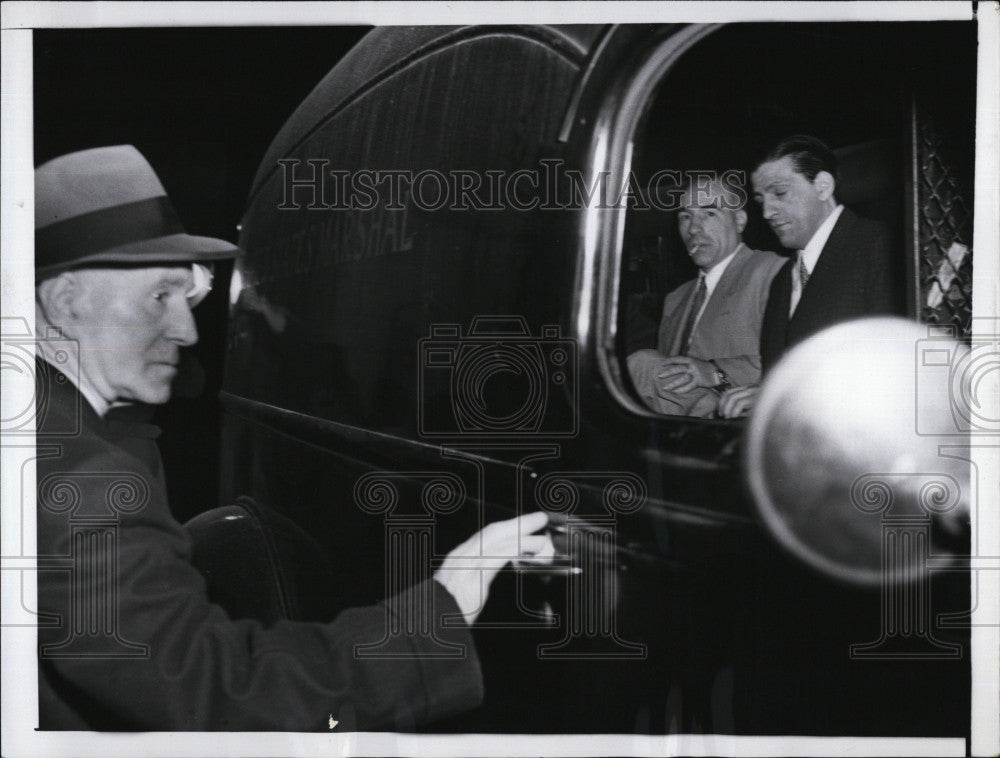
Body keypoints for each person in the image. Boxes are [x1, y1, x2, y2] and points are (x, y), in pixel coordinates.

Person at [33, 145, 553, 731]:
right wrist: (445, 605)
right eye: (159, 297)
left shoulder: (53, 430)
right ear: (65, 303)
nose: (184, 329)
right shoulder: (85, 481)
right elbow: (220, 696)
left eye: (188, 297)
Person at [718, 135, 903, 418]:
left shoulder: (882, 246)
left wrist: (782, 396)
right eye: (760, 200)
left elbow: (897, 371)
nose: (766, 212)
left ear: (822, 186)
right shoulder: (783, 278)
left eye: (779, 193)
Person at [627, 173, 784, 416]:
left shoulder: (773, 271)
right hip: (679, 433)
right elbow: (667, 382)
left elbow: (800, 360)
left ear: (739, 221)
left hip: (745, 422)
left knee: (640, 364)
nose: (693, 228)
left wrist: (715, 373)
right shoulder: (675, 299)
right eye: (685, 217)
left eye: (709, 214)